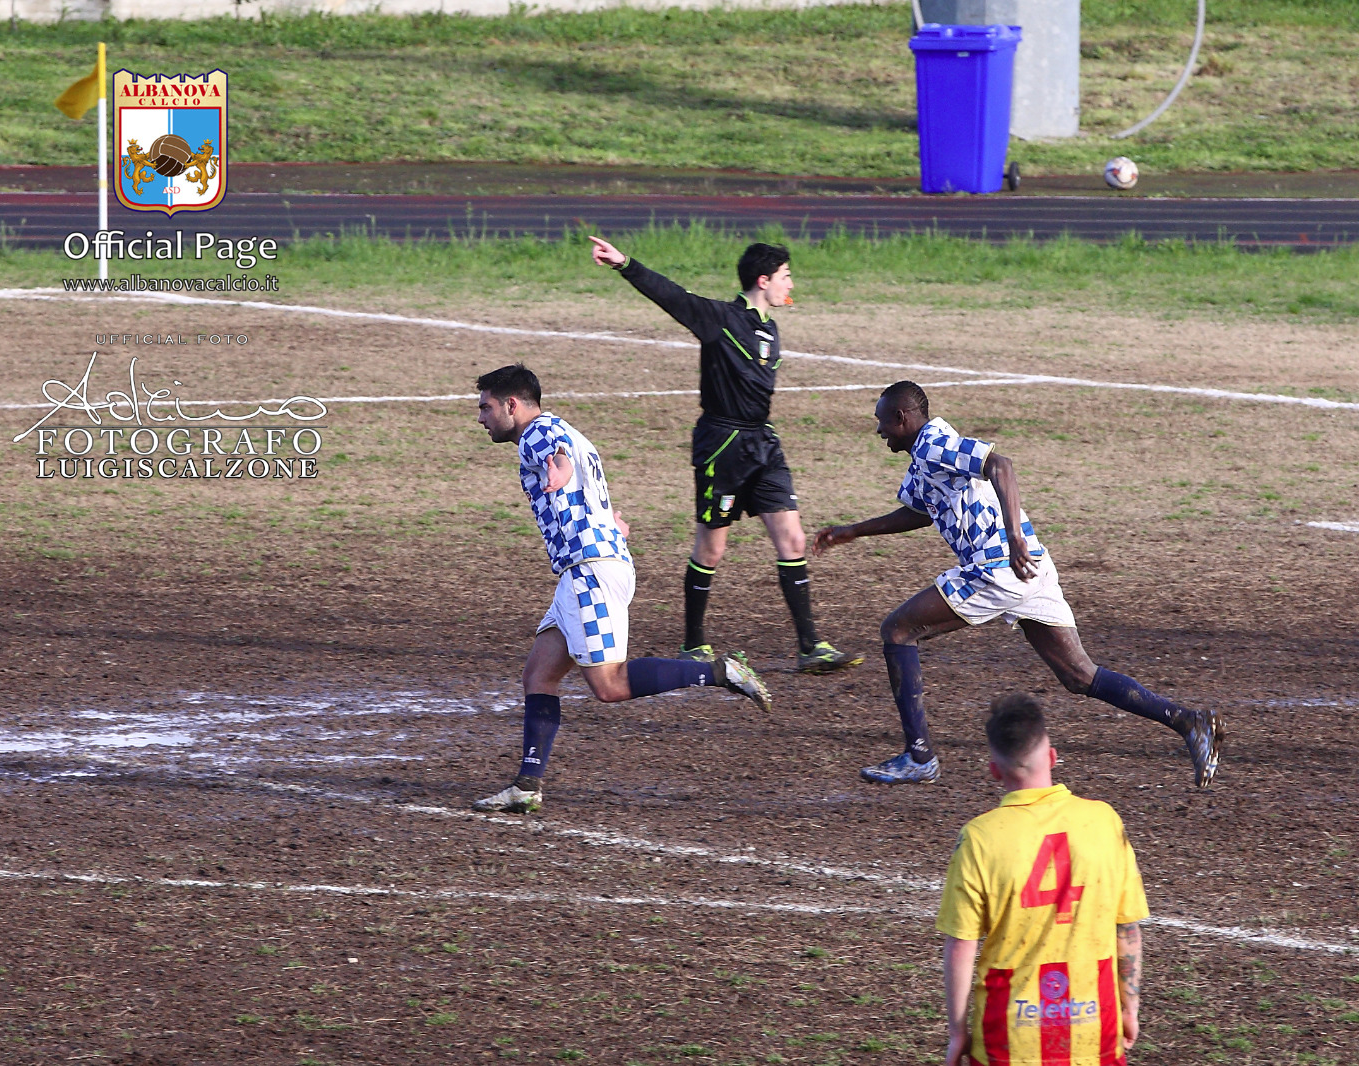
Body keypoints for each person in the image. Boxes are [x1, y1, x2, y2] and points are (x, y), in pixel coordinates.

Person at [813, 380, 1222, 787]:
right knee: (1079, 675)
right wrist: (855, 531)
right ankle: (1189, 722)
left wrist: (1013, 537)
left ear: (902, 418)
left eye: (882, 421)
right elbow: (922, 512)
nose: (879, 431)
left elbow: (1000, 466)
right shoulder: (927, 455)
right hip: (1031, 568)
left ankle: (919, 757)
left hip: (998, 568)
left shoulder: (934, 444)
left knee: (898, 630)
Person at [471, 363, 772, 815]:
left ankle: (720, 672)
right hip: (590, 567)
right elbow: (586, 486)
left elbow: (556, 457)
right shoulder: (572, 431)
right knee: (539, 674)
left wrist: (558, 471)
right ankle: (527, 785)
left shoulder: (538, 435)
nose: (480, 418)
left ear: (512, 405)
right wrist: (607, 519)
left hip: (589, 571)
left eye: (486, 407)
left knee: (609, 686)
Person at [588, 235, 861, 675]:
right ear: (763, 280)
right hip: (723, 446)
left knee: (792, 539)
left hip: (763, 444)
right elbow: (672, 296)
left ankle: (811, 645)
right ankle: (693, 643)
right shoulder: (721, 319)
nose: (791, 282)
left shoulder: (769, 327)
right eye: (785, 276)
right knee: (712, 548)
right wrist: (625, 264)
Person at [938, 693, 1147, 1066]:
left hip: (1008, 1035)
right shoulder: (1103, 820)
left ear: (995, 771)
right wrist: (1129, 1008)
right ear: (1051, 757)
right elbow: (1126, 928)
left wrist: (957, 1033)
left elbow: (961, 946)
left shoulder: (979, 837)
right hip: (1094, 1031)